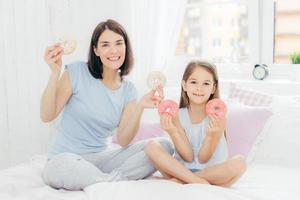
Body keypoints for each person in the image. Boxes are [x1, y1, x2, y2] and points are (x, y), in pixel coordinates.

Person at [40, 19, 174, 190]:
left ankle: (104, 181)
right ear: (96, 50)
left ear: (126, 47)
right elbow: (46, 115)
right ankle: (114, 181)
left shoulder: (129, 90)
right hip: (67, 158)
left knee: (163, 145)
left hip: (103, 160)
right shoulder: (76, 71)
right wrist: (54, 72)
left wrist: (140, 106)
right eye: (105, 45)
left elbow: (124, 140)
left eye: (119, 43)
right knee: (60, 166)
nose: (113, 50)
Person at [145, 60, 246, 187]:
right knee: (151, 146)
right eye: (193, 82)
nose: (199, 88)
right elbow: (187, 157)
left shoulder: (219, 117)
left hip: (212, 173)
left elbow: (204, 158)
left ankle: (185, 181)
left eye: (206, 83)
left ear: (213, 88)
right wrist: (172, 131)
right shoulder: (176, 115)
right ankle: (195, 181)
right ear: (184, 85)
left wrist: (210, 135)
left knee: (240, 162)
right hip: (181, 170)